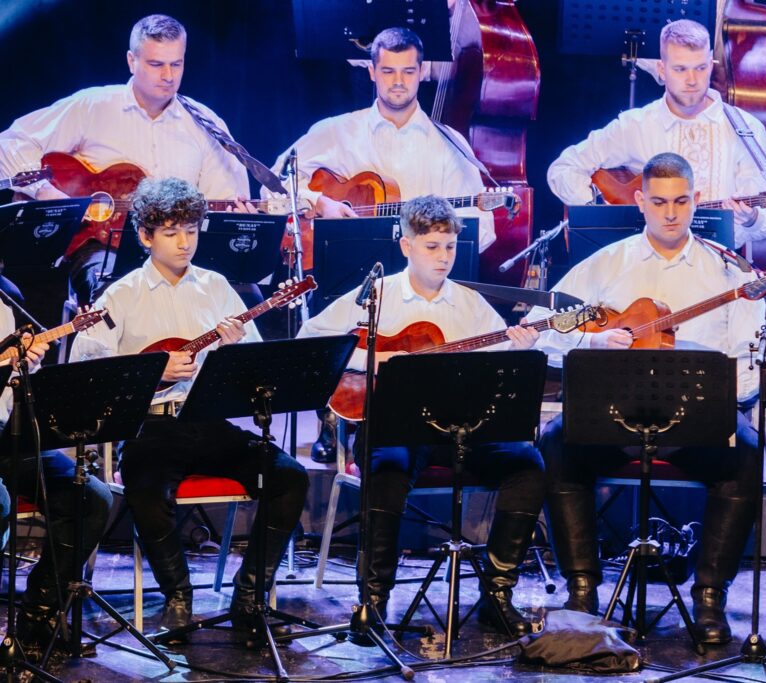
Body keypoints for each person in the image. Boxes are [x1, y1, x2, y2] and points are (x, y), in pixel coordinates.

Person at [530, 152, 764, 646]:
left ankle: (709, 598)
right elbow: (543, 328)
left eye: (681, 201)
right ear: (639, 201)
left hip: (694, 419)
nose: (671, 213)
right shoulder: (607, 264)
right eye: (659, 202)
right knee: (556, 442)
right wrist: (593, 340)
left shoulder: (729, 271)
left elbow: (750, 359)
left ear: (697, 200)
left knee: (745, 450)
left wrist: (719, 386)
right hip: (613, 415)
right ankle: (581, 591)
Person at [69, 178, 308, 647]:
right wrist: (153, 373)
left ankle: (249, 596)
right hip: (151, 426)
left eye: (192, 231)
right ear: (145, 236)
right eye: (171, 232)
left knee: (289, 477)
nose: (184, 242)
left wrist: (234, 349)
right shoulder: (122, 294)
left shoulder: (216, 287)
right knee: (145, 488)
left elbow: (256, 370)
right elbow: (88, 368)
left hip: (210, 421)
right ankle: (177, 595)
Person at [297, 195, 543, 636]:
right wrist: (377, 361)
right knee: (387, 467)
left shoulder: (469, 303)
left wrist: (518, 348)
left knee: (527, 464)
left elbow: (500, 364)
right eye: (432, 247)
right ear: (406, 245)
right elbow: (310, 340)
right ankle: (373, 602)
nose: (443, 257)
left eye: (450, 246)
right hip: (396, 425)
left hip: (462, 426)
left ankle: (497, 595)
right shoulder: (376, 295)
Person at [270, 26, 497, 462]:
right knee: (337, 310)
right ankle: (335, 414)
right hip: (350, 267)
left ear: (422, 73)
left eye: (408, 72)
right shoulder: (338, 131)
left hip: (419, 274)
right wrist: (321, 203)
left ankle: (412, 419)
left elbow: (481, 226)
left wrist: (440, 239)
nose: (398, 82)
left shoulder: (448, 144)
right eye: (388, 71)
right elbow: (277, 180)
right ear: (372, 72)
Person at [0, 14, 248, 316]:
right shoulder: (94, 106)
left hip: (181, 251)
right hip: (103, 248)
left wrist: (237, 218)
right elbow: (10, 143)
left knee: (244, 294)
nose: (168, 76)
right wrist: (45, 192)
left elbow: (224, 199)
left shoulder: (206, 124)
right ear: (132, 61)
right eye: (156, 64)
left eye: (177, 64)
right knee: (119, 291)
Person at [546, 19, 766, 245]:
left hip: (717, 264)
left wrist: (752, 218)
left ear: (711, 64)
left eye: (701, 68)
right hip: (643, 263)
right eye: (680, 69)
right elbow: (563, 169)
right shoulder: (637, 125)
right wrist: (605, 214)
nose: (692, 80)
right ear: (662, 69)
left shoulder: (745, 128)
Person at [0, 304, 112, 660]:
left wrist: (26, 368)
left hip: (6, 435)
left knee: (90, 496)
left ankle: (38, 616)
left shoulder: (4, 305)